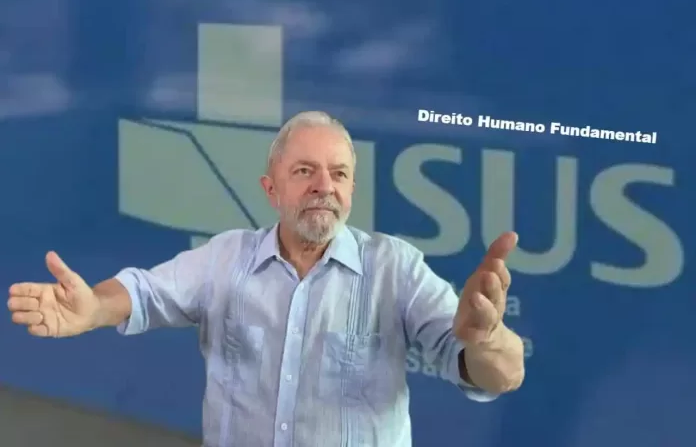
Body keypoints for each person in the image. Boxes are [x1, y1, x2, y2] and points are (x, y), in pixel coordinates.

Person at [7, 111, 525, 447]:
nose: (324, 186)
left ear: (352, 188)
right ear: (271, 189)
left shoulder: (396, 268)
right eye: (304, 171)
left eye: (339, 173)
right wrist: (95, 308)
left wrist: (488, 340)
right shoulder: (225, 256)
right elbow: (143, 291)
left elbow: (501, 375)